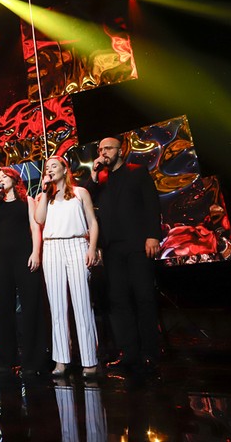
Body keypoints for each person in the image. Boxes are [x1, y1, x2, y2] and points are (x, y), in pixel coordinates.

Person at [90, 136, 163, 375]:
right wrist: (93, 175)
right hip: (112, 248)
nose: (103, 153)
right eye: (100, 149)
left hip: (137, 244)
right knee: (118, 300)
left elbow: (151, 205)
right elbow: (86, 201)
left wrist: (153, 235)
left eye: (108, 148)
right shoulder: (101, 180)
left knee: (143, 297)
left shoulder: (137, 172)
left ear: (120, 151)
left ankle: (150, 352)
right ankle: (129, 352)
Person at [34, 154, 100, 378]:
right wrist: (44, 192)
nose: (50, 169)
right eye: (47, 167)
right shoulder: (45, 196)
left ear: (65, 168)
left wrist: (92, 248)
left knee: (82, 303)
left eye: (54, 166)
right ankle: (61, 359)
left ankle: (89, 360)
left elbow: (92, 222)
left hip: (77, 244)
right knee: (57, 306)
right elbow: (39, 219)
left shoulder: (80, 193)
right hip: (52, 247)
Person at [0, 167, 51, 374]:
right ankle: (7, 358)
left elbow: (35, 227)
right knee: (4, 307)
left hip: (24, 255)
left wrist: (36, 253)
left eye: (4, 177)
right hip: (2, 258)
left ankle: (32, 359)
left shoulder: (27, 201)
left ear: (14, 179)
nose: (1, 180)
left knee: (30, 306)